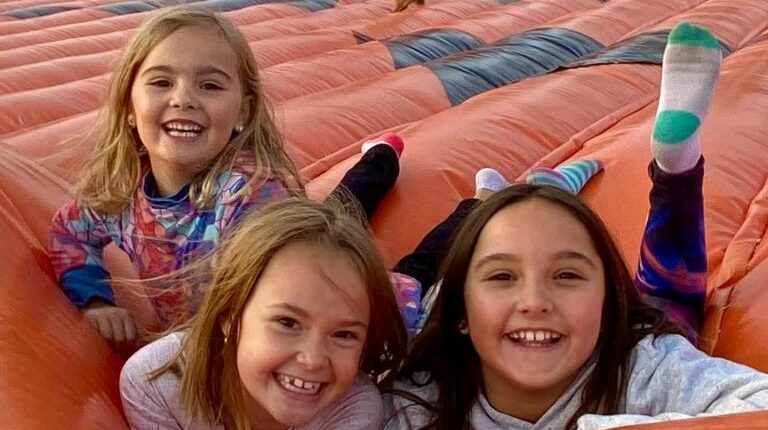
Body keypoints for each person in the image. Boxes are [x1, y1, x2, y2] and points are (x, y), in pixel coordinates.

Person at [382, 22, 768, 429]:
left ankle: (677, 172)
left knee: (671, 304)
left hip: (625, 337)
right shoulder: (416, 401)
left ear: (607, 299)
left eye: (566, 275)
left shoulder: (641, 367)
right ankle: (667, 167)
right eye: (502, 276)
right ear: (460, 311)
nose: (534, 301)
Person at [47, 6, 404, 351]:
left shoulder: (253, 199)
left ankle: (381, 158)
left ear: (243, 111)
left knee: (350, 221)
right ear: (128, 106)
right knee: (339, 208)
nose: (183, 98)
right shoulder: (124, 193)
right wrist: (96, 301)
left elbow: (273, 308)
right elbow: (69, 232)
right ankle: (378, 156)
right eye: (161, 81)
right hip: (287, 246)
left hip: (305, 267)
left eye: (210, 86)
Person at [120, 198, 408, 429]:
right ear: (228, 314)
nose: (312, 360)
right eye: (288, 322)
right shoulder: (157, 383)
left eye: (344, 334)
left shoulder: (351, 410)